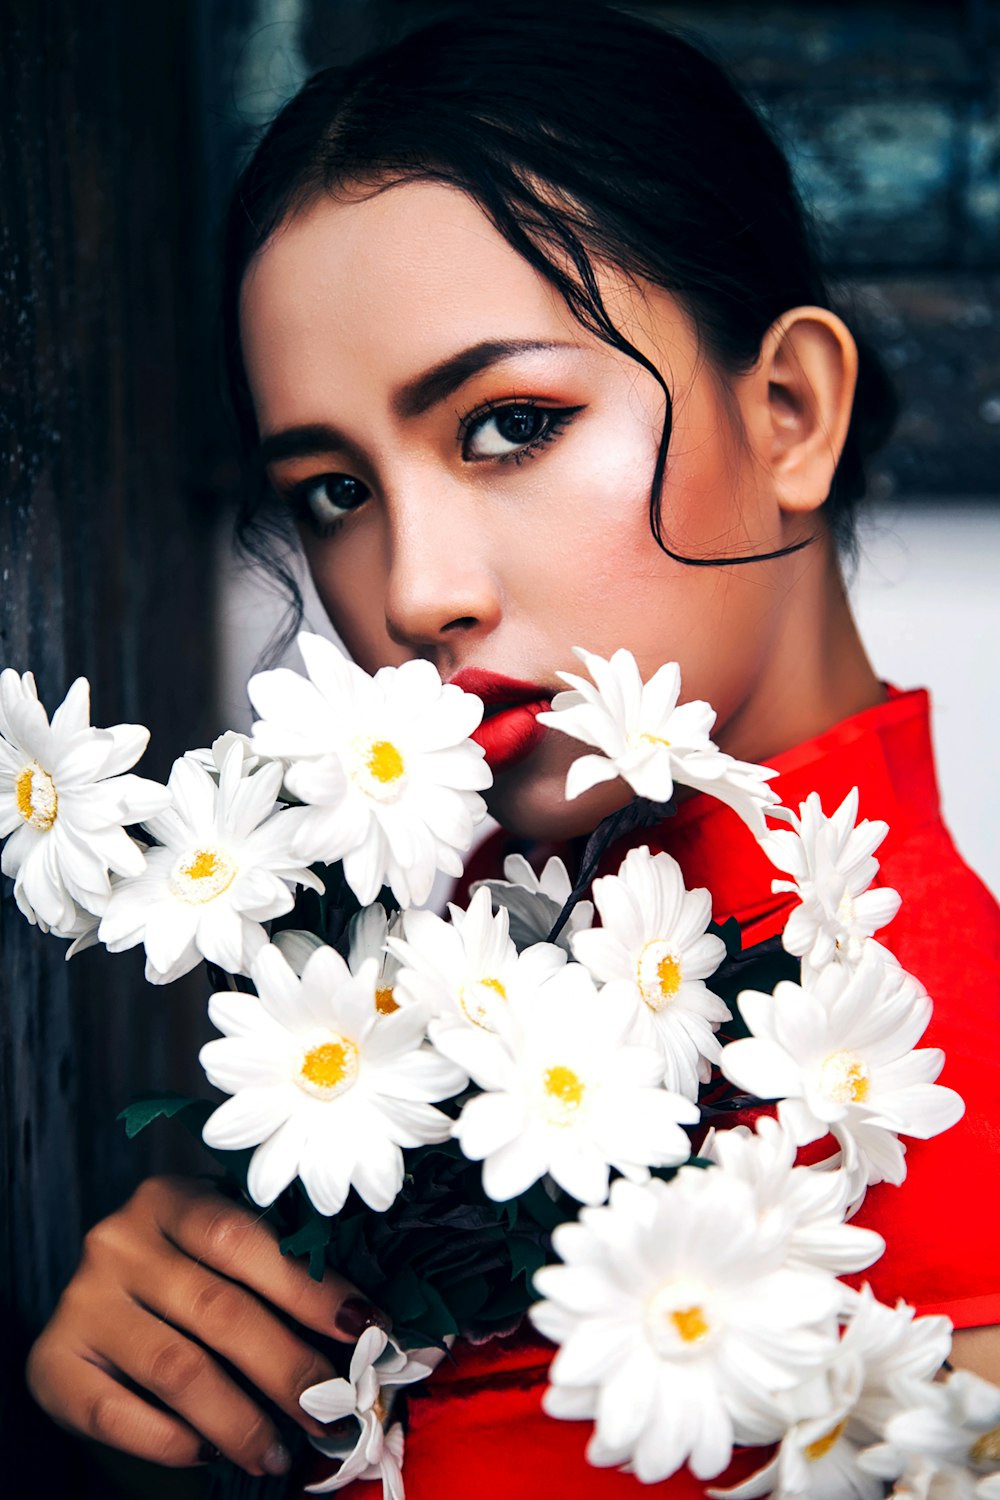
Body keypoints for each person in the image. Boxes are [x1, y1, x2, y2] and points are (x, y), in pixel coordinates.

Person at [25, 5, 1000, 1497]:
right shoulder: (394, 990)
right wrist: (184, 1317)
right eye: (337, 487)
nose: (414, 592)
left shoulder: (940, 1113)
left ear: (789, 412)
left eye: (510, 424)